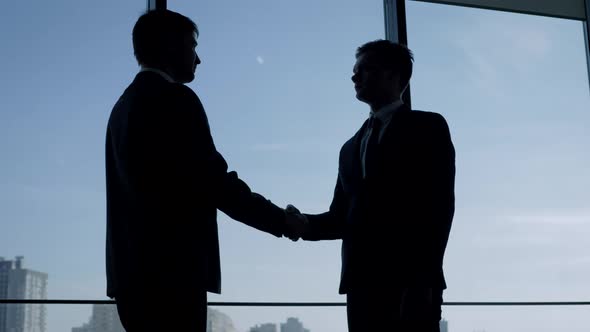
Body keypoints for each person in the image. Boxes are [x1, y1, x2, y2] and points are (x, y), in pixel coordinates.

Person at [105, 10, 305, 332]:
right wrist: (280, 220)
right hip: (173, 275)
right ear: (171, 47)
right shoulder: (176, 99)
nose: (199, 59)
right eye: (193, 46)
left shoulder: (122, 106)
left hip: (130, 278)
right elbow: (214, 182)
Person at [289, 40, 455, 332]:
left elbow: (439, 208)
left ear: (394, 74)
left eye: (364, 69)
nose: (354, 77)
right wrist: (304, 225)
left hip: (411, 283)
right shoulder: (350, 147)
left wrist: (422, 282)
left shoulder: (428, 127)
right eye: (354, 71)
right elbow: (342, 217)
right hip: (361, 284)